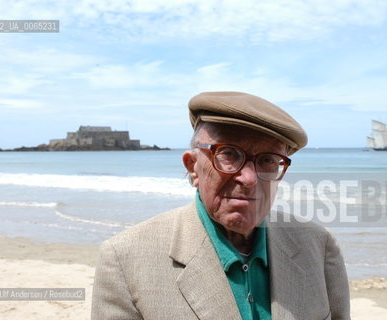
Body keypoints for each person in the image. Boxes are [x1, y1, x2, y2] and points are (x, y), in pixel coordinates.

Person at [91, 92, 351, 320]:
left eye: (268, 160)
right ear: (193, 167)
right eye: (228, 153)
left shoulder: (318, 245)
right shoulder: (125, 259)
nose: (248, 179)